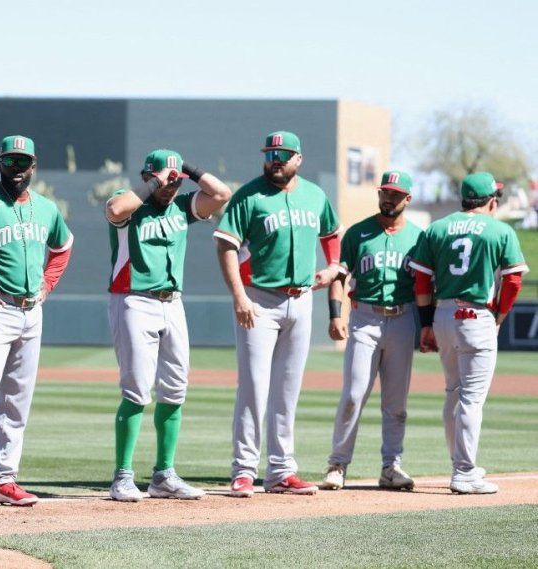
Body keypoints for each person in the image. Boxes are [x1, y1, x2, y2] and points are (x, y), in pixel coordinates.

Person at [214, 131, 342, 497]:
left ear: (298, 159)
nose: (275, 160)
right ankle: (243, 471)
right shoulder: (249, 196)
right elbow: (225, 245)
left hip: (301, 300)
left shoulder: (315, 195)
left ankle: (282, 471)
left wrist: (333, 267)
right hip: (259, 299)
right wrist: (239, 296)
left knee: (288, 390)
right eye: (270, 153)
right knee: (254, 386)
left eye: (283, 154)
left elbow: (332, 234)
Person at [105, 149, 231, 501]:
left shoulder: (181, 205)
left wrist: (186, 170)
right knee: (136, 389)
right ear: (147, 177)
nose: (169, 187)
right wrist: (153, 184)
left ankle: (164, 474)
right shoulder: (130, 205)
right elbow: (115, 210)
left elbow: (221, 195)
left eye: (174, 182)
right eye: (163, 180)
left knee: (175, 389)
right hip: (133, 299)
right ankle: (123, 477)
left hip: (172, 301)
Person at [0, 135, 73, 510]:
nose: (17, 169)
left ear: (34, 165)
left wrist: (47, 284)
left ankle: (4, 478)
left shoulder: (46, 208)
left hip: (31, 311)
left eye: (23, 162)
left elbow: (63, 246)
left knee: (17, 399)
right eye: (10, 162)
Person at [410, 172, 529, 494]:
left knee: (453, 392)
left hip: (444, 315)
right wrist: (500, 316)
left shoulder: (436, 228)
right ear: (491, 199)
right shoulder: (499, 230)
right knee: (471, 399)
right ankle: (464, 472)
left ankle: (460, 464)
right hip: (476, 315)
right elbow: (514, 280)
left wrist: (426, 322)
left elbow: (421, 281)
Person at [320, 170, 422, 491]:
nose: (388, 198)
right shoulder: (358, 233)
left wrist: (429, 324)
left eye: (395, 194)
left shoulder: (419, 237)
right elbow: (339, 277)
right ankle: (338, 464)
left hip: (403, 318)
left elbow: (423, 285)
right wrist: (336, 315)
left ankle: (391, 466)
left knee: (396, 402)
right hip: (364, 317)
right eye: (384, 192)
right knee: (353, 394)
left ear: (407, 199)